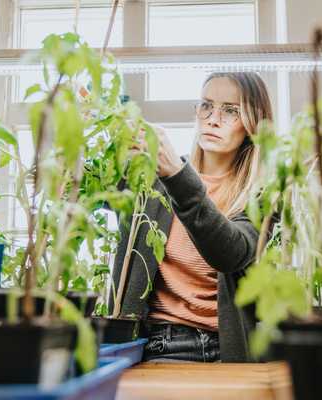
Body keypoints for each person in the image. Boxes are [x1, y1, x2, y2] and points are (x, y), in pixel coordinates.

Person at [110, 72, 274, 362]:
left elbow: (229, 253)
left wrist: (176, 175)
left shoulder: (261, 195)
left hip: (232, 350)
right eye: (206, 105)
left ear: (253, 125)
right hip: (163, 345)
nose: (213, 119)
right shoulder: (153, 178)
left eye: (231, 111)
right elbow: (84, 192)